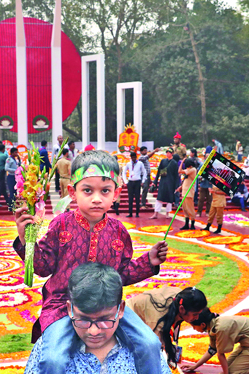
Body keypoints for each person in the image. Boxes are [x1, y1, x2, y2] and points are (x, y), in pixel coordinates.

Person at [13, 150, 168, 374]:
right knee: (52, 359)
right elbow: (43, 267)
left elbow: (121, 275)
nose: (97, 198)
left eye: (105, 191)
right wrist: (25, 240)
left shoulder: (119, 232)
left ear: (116, 193)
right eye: (88, 190)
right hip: (63, 305)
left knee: (150, 344)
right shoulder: (61, 225)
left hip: (108, 307)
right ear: (72, 192)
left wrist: (149, 261)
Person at [25, 263, 172, 374]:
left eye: (105, 320)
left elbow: (128, 269)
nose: (94, 331)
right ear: (69, 309)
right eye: (83, 320)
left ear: (121, 309)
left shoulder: (147, 350)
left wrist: (149, 261)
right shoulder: (47, 347)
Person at [127, 287, 207, 368]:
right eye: (195, 314)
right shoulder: (157, 321)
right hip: (128, 316)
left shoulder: (183, 298)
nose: (197, 318)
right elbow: (152, 349)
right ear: (181, 309)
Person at [183, 308, 249, 374]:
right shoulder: (212, 325)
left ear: (203, 324)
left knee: (232, 372)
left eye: (193, 326)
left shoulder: (221, 328)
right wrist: (195, 366)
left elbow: (220, 355)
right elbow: (212, 350)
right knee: (227, 368)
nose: (194, 329)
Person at [150, 149, 177, 219]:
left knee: (169, 199)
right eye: (167, 152)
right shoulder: (163, 161)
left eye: (169, 153)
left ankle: (167, 214)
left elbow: (176, 175)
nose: (167, 154)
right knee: (159, 198)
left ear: (172, 153)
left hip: (171, 183)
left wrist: (177, 186)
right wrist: (155, 182)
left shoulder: (174, 163)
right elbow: (159, 172)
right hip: (163, 182)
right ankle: (155, 213)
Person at [122, 151, 146, 218]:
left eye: (134, 157)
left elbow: (144, 172)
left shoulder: (140, 163)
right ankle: (130, 213)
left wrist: (143, 181)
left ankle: (137, 213)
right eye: (132, 157)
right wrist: (125, 181)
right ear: (130, 157)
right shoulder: (128, 164)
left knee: (137, 198)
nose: (133, 159)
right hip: (130, 182)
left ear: (136, 157)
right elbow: (124, 172)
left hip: (137, 182)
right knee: (130, 198)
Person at [178, 158, 197, 229]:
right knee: (185, 209)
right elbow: (186, 180)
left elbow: (179, 171)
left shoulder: (192, 169)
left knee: (190, 208)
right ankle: (186, 224)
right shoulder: (188, 170)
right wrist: (181, 187)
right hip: (184, 192)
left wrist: (182, 162)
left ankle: (192, 224)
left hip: (189, 193)